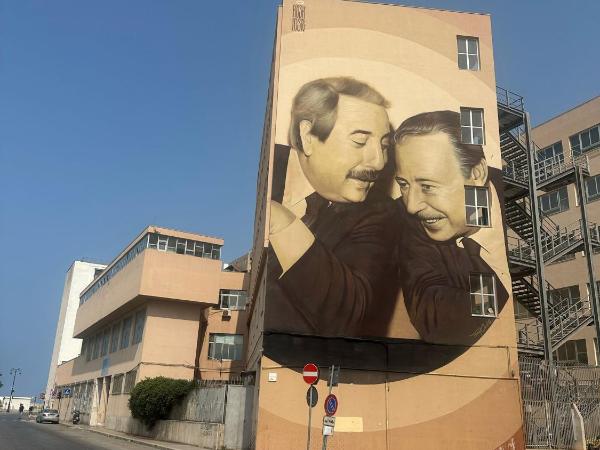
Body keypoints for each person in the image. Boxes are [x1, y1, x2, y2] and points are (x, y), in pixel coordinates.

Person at [266, 76, 399, 337]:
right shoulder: (266, 171)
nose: (379, 162)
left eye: (384, 145)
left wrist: (283, 224)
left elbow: (352, 313)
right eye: (360, 141)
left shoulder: (380, 213)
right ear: (307, 136)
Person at [393, 110, 509, 345]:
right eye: (404, 184)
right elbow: (435, 317)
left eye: (427, 186)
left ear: (476, 174)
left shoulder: (513, 195)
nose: (412, 206)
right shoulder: (410, 224)